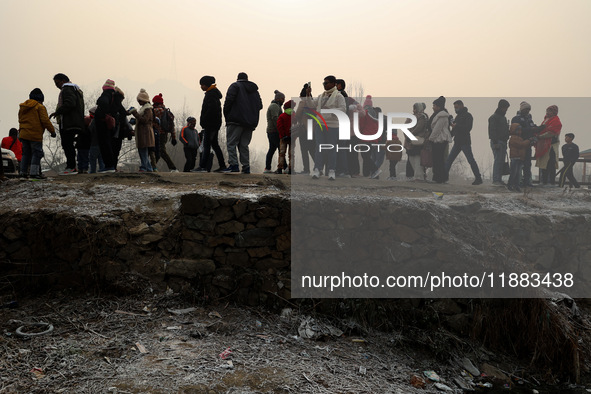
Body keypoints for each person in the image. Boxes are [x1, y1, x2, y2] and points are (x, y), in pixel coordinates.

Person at [304, 75, 346, 181]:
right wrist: (308, 94)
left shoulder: (339, 96)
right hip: (320, 124)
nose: (324, 85)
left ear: (333, 84)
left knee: (331, 148)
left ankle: (332, 170)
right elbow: (311, 105)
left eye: (326, 83)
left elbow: (343, 110)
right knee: (319, 147)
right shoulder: (321, 96)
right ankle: (317, 169)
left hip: (333, 125)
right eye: (323, 83)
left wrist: (331, 110)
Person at [222, 72, 263, 174]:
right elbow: (260, 106)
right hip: (250, 122)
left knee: (231, 143)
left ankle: (234, 165)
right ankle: (246, 167)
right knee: (244, 145)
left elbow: (228, 101)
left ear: (237, 78)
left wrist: (227, 115)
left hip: (236, 120)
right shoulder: (255, 91)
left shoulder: (235, 86)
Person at [49, 73, 85, 175]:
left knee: (67, 144)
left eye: (57, 83)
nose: (56, 85)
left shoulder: (67, 89)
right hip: (75, 121)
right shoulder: (75, 89)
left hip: (69, 122)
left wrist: (58, 111)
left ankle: (71, 167)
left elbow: (70, 103)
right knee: (68, 144)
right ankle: (72, 166)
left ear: (63, 81)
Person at [18, 88, 56, 179]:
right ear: (41, 98)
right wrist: (52, 131)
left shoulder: (23, 107)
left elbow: (20, 120)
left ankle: (23, 173)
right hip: (35, 134)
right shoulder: (40, 107)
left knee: (25, 154)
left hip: (23, 133)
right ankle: (34, 173)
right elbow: (45, 120)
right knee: (37, 153)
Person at [444, 100, 482, 185]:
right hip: (457, 142)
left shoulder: (468, 116)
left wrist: (456, 126)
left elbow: (468, 128)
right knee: (449, 160)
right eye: (454, 107)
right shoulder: (457, 117)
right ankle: (444, 177)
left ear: (461, 106)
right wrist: (449, 135)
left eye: (456, 107)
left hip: (465, 142)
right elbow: (455, 130)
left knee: (470, 160)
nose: (455, 109)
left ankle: (478, 178)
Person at [94, 79, 126, 173]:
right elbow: (123, 112)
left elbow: (103, 102)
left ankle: (109, 166)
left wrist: (103, 114)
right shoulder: (116, 98)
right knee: (110, 145)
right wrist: (116, 119)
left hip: (103, 123)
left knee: (104, 144)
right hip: (112, 125)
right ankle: (111, 166)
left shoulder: (106, 94)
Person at [510, 101, 545, 187]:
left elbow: (532, 127)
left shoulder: (529, 119)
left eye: (529, 110)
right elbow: (516, 130)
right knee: (517, 164)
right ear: (522, 109)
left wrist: (538, 129)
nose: (527, 111)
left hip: (528, 143)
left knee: (527, 164)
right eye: (526, 109)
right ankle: (515, 182)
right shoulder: (516, 119)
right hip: (519, 144)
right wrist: (531, 130)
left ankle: (526, 182)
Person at [197, 75, 226, 172]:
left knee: (207, 145)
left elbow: (210, 110)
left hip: (211, 124)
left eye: (202, 84)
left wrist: (204, 121)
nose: (201, 87)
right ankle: (222, 166)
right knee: (214, 145)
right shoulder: (213, 93)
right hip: (214, 124)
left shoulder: (211, 94)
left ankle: (203, 166)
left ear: (206, 85)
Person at [128, 89, 155, 172]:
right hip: (143, 133)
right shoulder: (145, 108)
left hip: (145, 133)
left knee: (143, 151)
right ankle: (147, 167)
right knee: (142, 151)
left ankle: (146, 167)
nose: (139, 102)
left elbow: (144, 120)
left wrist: (135, 113)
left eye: (139, 100)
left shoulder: (148, 109)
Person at [535, 105, 562, 186]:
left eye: (549, 111)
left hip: (551, 145)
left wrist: (540, 136)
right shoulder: (545, 120)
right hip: (543, 145)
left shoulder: (556, 121)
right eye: (547, 111)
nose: (547, 112)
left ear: (554, 112)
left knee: (551, 164)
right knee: (544, 164)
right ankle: (544, 181)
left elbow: (552, 132)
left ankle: (551, 182)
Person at [428, 96, 452, 184]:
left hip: (440, 139)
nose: (433, 107)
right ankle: (439, 177)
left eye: (434, 105)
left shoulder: (442, 116)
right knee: (438, 159)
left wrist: (431, 139)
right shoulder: (440, 115)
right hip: (438, 139)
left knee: (438, 160)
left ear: (438, 106)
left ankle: (439, 178)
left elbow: (437, 129)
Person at [152, 93, 179, 172]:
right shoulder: (166, 111)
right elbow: (172, 125)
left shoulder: (157, 110)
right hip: (165, 134)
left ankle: (172, 167)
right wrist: (173, 137)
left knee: (161, 151)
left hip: (158, 134)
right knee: (159, 151)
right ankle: (151, 167)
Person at [404, 103, 429, 181]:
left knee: (418, 159)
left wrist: (410, 135)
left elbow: (419, 128)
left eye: (415, 108)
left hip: (417, 141)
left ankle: (419, 176)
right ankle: (416, 176)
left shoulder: (422, 117)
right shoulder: (411, 117)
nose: (413, 110)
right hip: (410, 141)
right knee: (411, 158)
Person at [294, 83, 315, 175]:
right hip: (312, 129)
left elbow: (298, 114)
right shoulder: (313, 103)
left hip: (304, 129)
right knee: (312, 149)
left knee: (304, 150)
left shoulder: (303, 102)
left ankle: (306, 169)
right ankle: (319, 167)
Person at [488, 99, 511, 185]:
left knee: (501, 161)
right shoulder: (493, 117)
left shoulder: (503, 118)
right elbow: (492, 131)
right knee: (498, 161)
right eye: (505, 108)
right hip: (497, 142)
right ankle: (496, 179)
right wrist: (495, 142)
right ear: (501, 107)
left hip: (503, 142)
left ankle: (498, 179)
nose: (506, 110)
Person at [507, 124, 533, 192]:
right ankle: (510, 185)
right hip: (515, 157)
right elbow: (521, 145)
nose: (520, 131)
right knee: (514, 172)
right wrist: (529, 140)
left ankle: (516, 185)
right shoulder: (513, 138)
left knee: (518, 173)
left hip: (520, 157)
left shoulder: (520, 138)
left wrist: (529, 142)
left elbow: (523, 146)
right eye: (518, 130)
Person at [264, 90, 284, 174]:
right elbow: (275, 119)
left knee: (272, 149)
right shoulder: (275, 106)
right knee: (280, 149)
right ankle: (284, 167)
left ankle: (268, 168)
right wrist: (280, 130)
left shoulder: (276, 106)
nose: (283, 100)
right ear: (278, 99)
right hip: (274, 131)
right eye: (283, 98)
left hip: (272, 131)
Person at [277, 100, 296, 174]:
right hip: (292, 138)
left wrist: (283, 135)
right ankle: (291, 169)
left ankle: (279, 168)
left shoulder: (282, 116)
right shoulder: (295, 116)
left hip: (283, 138)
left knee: (282, 153)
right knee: (291, 154)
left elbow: (279, 126)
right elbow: (296, 127)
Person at [86, 106, 104, 174]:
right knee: (101, 158)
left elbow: (90, 130)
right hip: (101, 142)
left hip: (94, 142)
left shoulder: (94, 121)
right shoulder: (102, 120)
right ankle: (102, 169)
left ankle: (92, 171)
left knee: (92, 158)